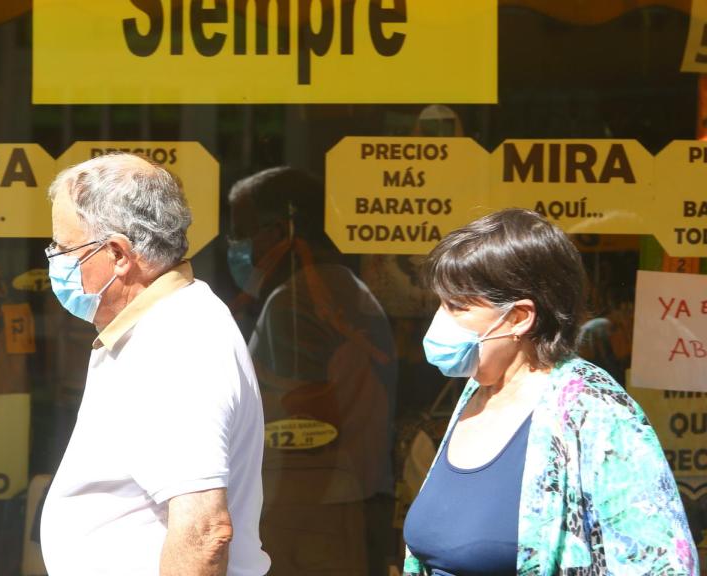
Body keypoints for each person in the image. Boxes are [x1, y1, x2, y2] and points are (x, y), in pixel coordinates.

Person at [402, 208, 697, 575]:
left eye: (457, 306)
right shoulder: (476, 393)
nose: (440, 320)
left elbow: (661, 563)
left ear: (519, 317)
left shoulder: (595, 409)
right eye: (441, 303)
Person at [39, 153, 271, 576]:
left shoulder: (176, 343)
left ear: (118, 255)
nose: (54, 258)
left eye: (63, 246)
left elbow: (203, 532)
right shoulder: (158, 326)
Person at [227, 167, 397, 575]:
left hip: (303, 513)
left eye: (244, 231)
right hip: (339, 501)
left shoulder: (295, 304)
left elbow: (300, 420)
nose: (237, 246)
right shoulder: (339, 286)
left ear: (283, 228)